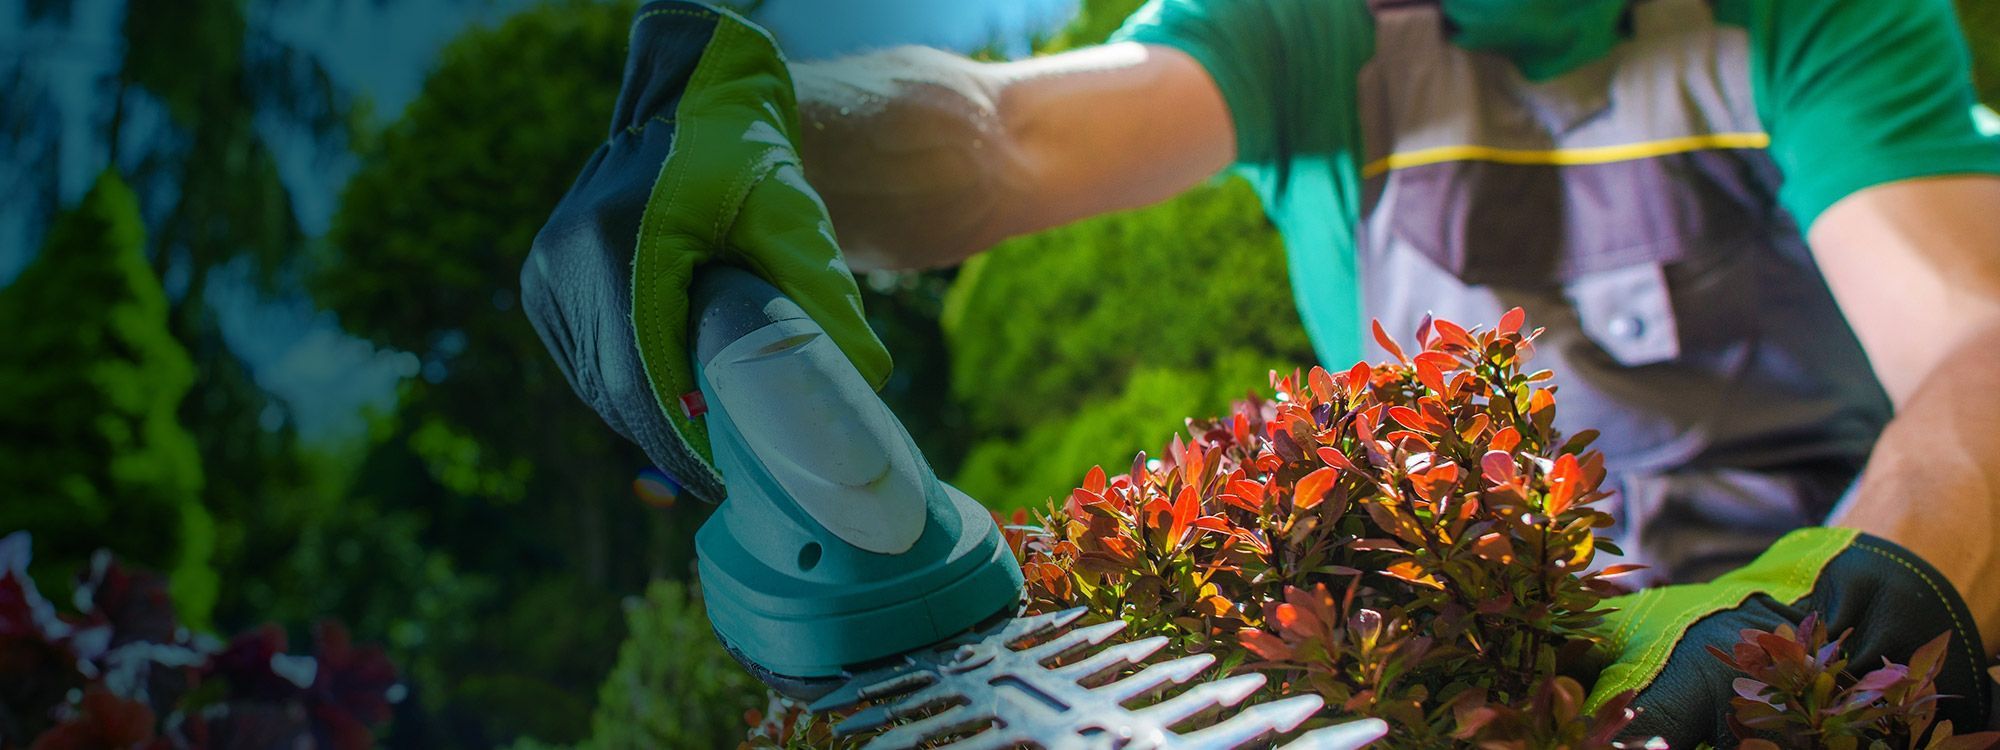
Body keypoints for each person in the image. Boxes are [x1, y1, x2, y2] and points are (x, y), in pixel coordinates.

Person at [519, 0, 2000, 743]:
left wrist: (1857, 617)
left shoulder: (1819, 22)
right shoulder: (1314, 31)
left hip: (1835, 616)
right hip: (1502, 663)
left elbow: (1972, 340)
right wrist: (779, 122)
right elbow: (1001, 132)